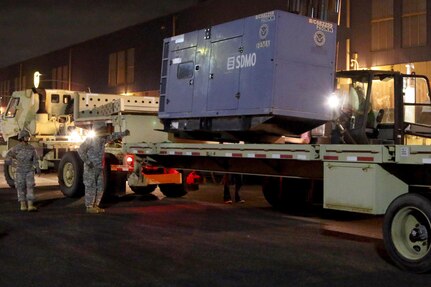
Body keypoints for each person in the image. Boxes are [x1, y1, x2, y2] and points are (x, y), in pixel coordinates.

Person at [78, 122, 130, 214]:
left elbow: (113, 136)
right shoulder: (90, 140)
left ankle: (95, 205)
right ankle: (89, 206)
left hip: (99, 167)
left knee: (100, 187)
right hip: (91, 167)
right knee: (91, 186)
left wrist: (124, 133)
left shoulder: (102, 139)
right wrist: (88, 162)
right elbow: (81, 150)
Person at [5, 129, 40, 212]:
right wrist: (13, 164)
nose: (28, 138)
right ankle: (23, 205)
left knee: (30, 187)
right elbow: (7, 157)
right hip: (20, 171)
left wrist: (37, 167)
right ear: (22, 137)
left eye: (28, 136)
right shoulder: (16, 148)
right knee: (20, 187)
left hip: (29, 171)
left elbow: (35, 159)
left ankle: (30, 205)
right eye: (26, 136)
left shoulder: (31, 148)